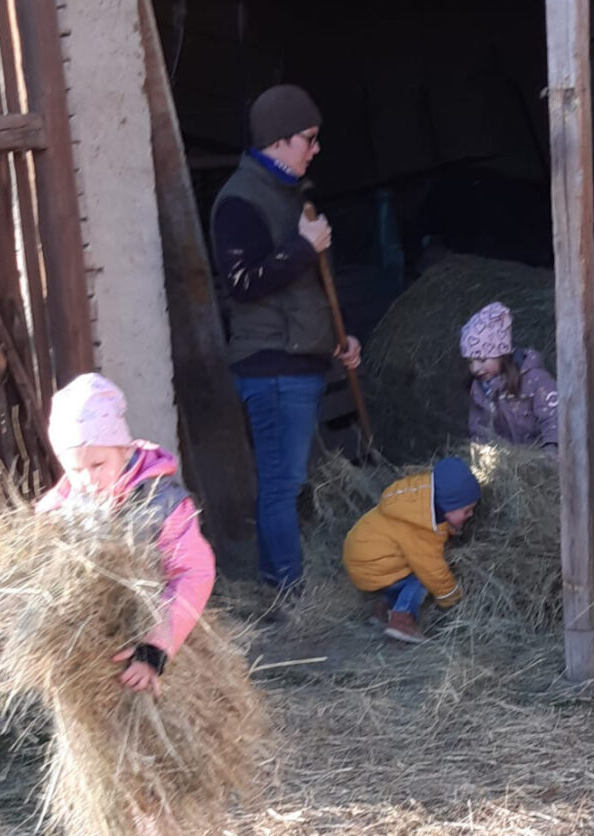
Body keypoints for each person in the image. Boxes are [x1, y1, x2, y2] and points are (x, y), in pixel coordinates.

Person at [37, 373, 216, 836]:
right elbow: (40, 561)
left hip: (155, 657)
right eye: (75, 467)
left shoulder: (160, 500)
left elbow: (193, 572)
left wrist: (157, 645)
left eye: (99, 464)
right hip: (96, 667)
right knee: (119, 773)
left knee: (145, 767)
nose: (88, 480)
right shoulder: (63, 504)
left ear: (124, 447)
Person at [209, 84, 361, 593]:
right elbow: (242, 283)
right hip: (269, 364)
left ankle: (282, 585)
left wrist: (339, 338)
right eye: (309, 138)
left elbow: (310, 290)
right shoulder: (239, 202)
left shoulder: (291, 195)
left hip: (298, 358)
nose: (315, 149)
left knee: (287, 481)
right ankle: (288, 595)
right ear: (278, 140)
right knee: (280, 484)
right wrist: (301, 246)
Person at [342, 456, 481, 644]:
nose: (471, 514)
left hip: (364, 555)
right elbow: (432, 571)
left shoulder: (420, 499)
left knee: (405, 570)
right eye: (466, 511)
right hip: (371, 566)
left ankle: (382, 610)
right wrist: (453, 598)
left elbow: (439, 521)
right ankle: (402, 620)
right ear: (447, 507)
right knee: (422, 577)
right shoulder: (420, 528)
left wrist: (450, 526)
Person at [461, 302, 559, 448]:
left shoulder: (536, 381)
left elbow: (553, 417)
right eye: (470, 362)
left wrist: (551, 447)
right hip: (507, 464)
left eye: (482, 359)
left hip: (540, 461)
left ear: (501, 355)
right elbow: (478, 427)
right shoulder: (480, 389)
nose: (475, 368)